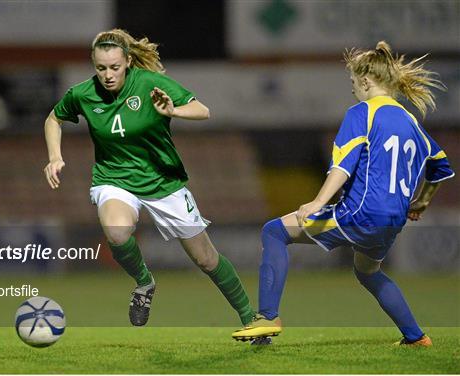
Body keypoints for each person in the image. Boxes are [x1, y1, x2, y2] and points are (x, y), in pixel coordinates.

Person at [232, 41, 454, 346]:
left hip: (362, 213)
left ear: (365, 81)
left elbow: (342, 167)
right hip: (393, 220)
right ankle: (416, 337)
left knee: (274, 232)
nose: (352, 90)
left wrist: (318, 202)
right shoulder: (411, 121)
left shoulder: (362, 112)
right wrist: (423, 201)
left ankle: (267, 318)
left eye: (353, 82)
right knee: (367, 271)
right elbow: (442, 167)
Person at [43, 29, 254, 328]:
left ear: (128, 61)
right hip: (114, 179)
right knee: (117, 233)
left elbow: (202, 110)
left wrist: (174, 110)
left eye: (114, 67)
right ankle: (144, 282)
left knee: (205, 259)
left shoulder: (150, 83)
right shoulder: (83, 94)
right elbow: (54, 119)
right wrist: (55, 156)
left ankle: (250, 318)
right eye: (101, 68)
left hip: (162, 182)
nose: (107, 74)